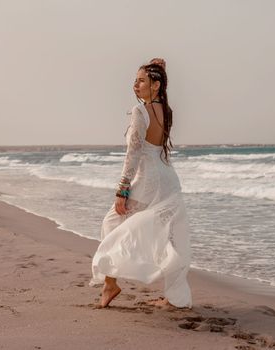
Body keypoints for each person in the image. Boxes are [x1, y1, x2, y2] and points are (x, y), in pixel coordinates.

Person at [88, 57, 192, 309]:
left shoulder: (139, 112)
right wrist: (159, 73)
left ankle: (110, 283)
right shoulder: (166, 111)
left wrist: (122, 189)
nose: (135, 84)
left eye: (142, 80)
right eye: (134, 80)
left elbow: (133, 153)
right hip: (168, 178)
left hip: (147, 181)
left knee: (112, 222)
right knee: (171, 236)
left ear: (155, 85)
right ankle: (174, 297)